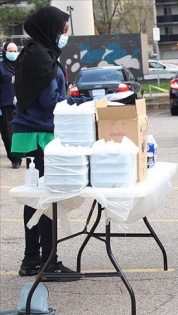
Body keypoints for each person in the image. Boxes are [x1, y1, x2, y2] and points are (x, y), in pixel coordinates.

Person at [11, 6, 92, 280]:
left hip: (32, 132)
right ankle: (48, 262)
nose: (64, 34)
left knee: (36, 198)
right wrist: (81, 102)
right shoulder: (41, 58)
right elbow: (50, 102)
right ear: (50, 28)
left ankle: (31, 260)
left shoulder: (35, 52)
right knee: (49, 197)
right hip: (40, 134)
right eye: (63, 29)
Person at [0, 42, 22, 169]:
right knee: (8, 133)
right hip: (6, 105)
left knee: (22, 131)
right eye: (10, 51)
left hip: (21, 105)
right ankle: (15, 158)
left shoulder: (21, 65)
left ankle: (27, 155)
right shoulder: (1, 67)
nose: (13, 54)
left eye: (15, 51)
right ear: (4, 51)